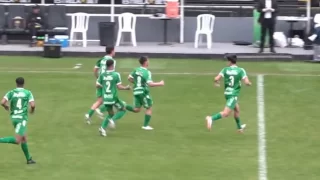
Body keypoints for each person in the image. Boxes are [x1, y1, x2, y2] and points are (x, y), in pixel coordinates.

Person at [205, 54, 251, 133]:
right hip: (233, 95)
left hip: (227, 94)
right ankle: (211, 118)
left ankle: (239, 128)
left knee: (237, 110)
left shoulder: (225, 69)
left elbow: (216, 78)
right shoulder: (241, 70)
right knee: (226, 113)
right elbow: (246, 82)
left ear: (230, 61)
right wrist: (249, 83)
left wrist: (217, 83)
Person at [0, 77, 36, 164]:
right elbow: (33, 105)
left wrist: (6, 106)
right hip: (21, 119)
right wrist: (32, 111)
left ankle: (29, 159)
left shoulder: (11, 92)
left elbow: (2, 102)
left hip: (14, 118)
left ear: (16, 83)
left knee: (24, 138)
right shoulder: (27, 92)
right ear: (24, 83)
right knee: (17, 140)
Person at [125, 56, 165, 130]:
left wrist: (137, 83)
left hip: (136, 91)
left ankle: (123, 105)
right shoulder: (147, 72)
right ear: (145, 62)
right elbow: (150, 84)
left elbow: (129, 78)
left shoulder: (136, 69)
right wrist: (160, 83)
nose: (149, 62)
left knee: (137, 109)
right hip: (143, 91)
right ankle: (145, 126)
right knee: (149, 107)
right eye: (148, 60)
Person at [97, 60, 131, 136]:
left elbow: (97, 85)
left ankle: (102, 129)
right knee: (123, 109)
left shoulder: (102, 75)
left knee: (111, 113)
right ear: (112, 65)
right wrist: (126, 88)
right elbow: (119, 87)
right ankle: (112, 120)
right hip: (113, 97)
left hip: (105, 97)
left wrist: (105, 87)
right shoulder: (116, 74)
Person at [85, 46, 117, 126]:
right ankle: (101, 112)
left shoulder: (101, 59)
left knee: (100, 100)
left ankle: (88, 115)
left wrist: (97, 78)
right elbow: (111, 72)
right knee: (111, 99)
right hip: (106, 82)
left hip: (99, 81)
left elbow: (95, 69)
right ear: (112, 51)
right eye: (114, 51)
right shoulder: (112, 61)